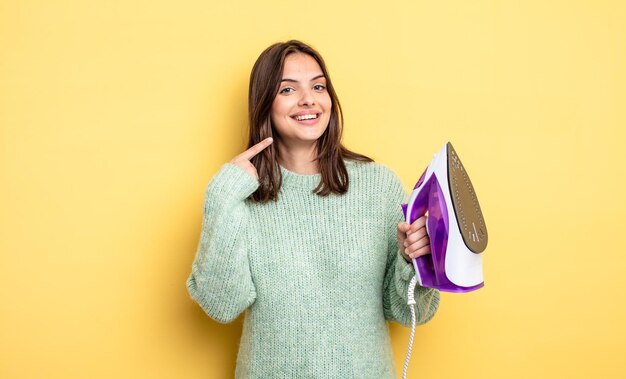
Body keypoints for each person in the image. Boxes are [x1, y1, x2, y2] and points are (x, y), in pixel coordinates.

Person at [187, 40, 440, 378]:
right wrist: (223, 195)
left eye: (318, 86)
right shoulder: (241, 194)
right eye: (288, 89)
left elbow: (406, 311)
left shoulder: (378, 186)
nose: (309, 99)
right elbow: (221, 305)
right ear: (265, 104)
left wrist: (415, 261)